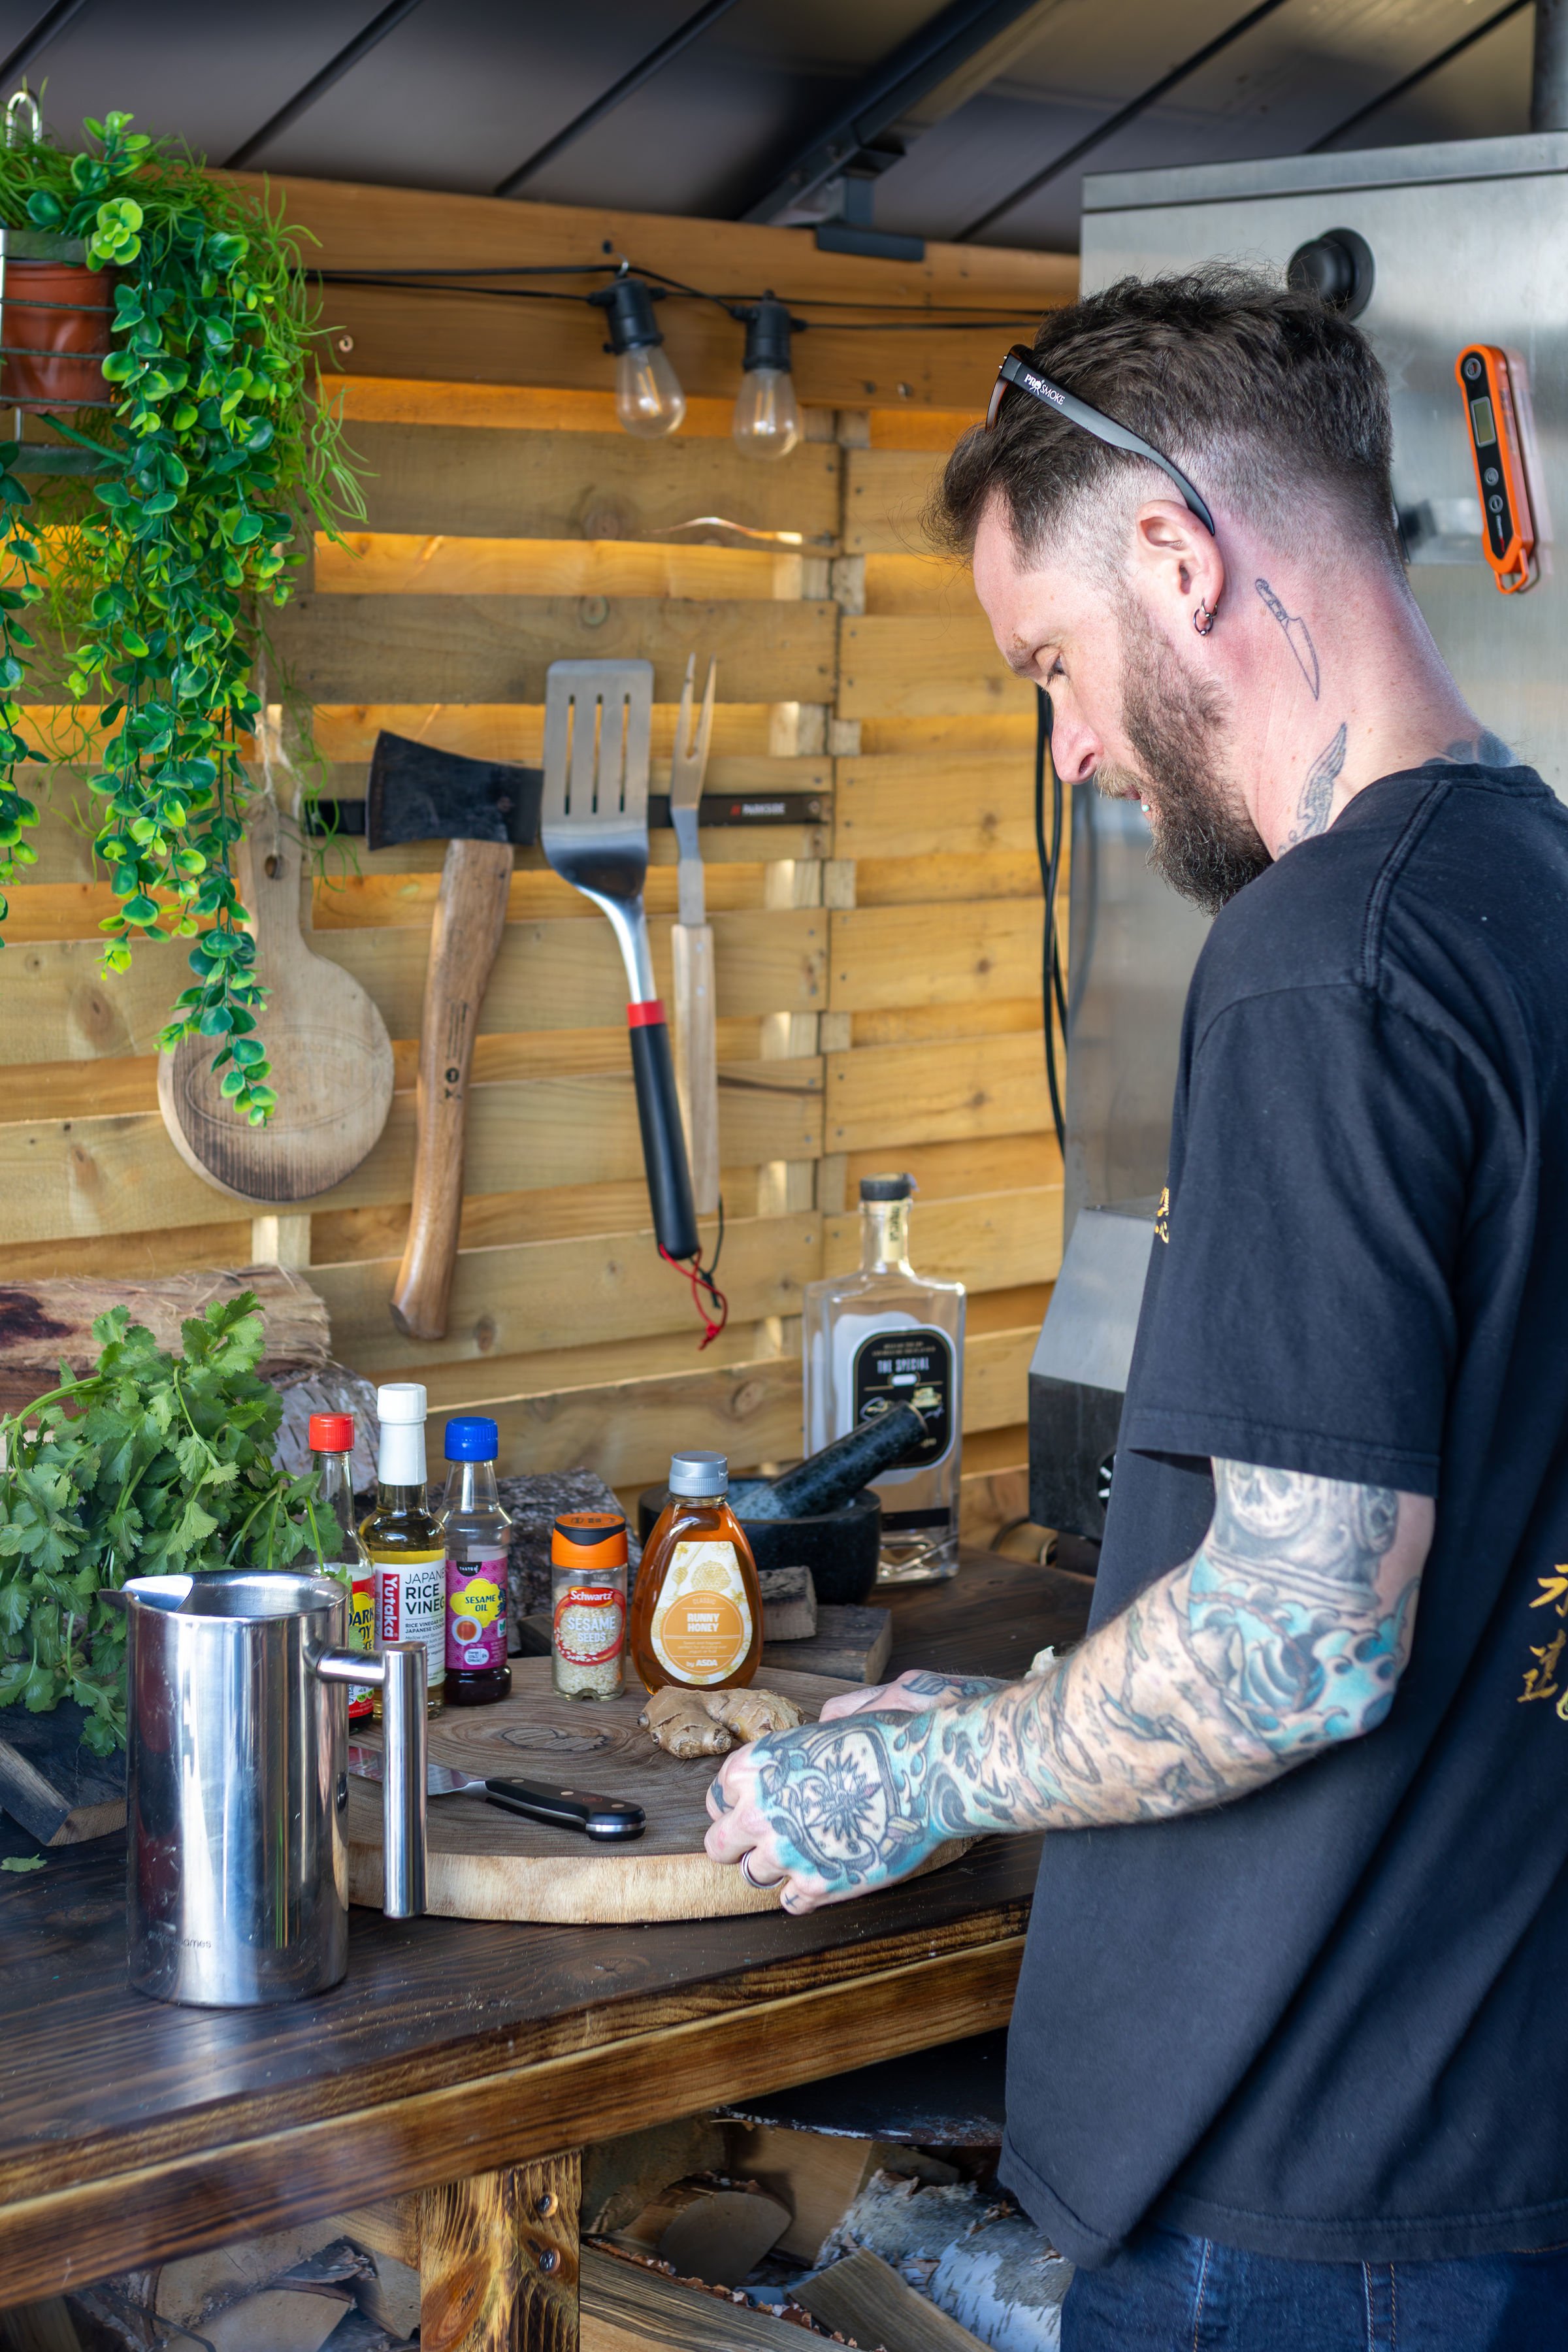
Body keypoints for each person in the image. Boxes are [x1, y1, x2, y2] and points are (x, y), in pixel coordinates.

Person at [704, 269, 1568, 2349]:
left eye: (1053, 665)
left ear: (1180, 562)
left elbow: (1291, 1639)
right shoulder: (1529, 886)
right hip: (1498, 2127)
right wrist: (1006, 1727)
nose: (1072, 746)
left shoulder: (1320, 966)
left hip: (1311, 2188)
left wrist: (906, 1781)